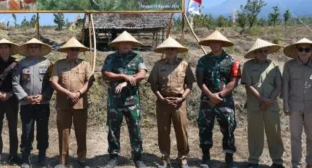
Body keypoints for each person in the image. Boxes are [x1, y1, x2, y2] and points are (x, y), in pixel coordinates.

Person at [195, 30, 241, 168]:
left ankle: (229, 158)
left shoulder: (233, 61)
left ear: (222, 44)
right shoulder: (203, 61)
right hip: (207, 100)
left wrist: (220, 95)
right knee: (205, 127)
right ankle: (205, 157)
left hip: (225, 100)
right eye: (212, 42)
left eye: (217, 42)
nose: (214, 44)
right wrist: (211, 96)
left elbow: (234, 82)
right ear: (208, 44)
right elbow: (200, 81)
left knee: (228, 127)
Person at [102, 31, 147, 168]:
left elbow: (142, 74)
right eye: (123, 43)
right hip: (115, 101)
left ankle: (138, 158)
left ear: (131, 44)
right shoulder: (111, 58)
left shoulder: (137, 57)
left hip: (132, 101)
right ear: (118, 44)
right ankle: (113, 157)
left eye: (128, 43)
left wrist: (129, 80)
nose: (126, 45)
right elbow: (105, 74)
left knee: (135, 129)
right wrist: (124, 76)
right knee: (113, 129)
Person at [148, 37, 195, 168]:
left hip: (179, 102)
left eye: (173, 48)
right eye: (168, 48)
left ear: (177, 50)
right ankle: (165, 157)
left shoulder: (184, 65)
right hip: (163, 102)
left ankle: (183, 157)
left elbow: (190, 84)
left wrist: (182, 98)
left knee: (181, 130)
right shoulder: (158, 65)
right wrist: (161, 98)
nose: (170, 50)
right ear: (164, 50)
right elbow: (153, 84)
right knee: (163, 130)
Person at [51, 37, 95, 168]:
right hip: (63, 103)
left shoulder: (85, 64)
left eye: (77, 49)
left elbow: (90, 81)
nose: (74, 51)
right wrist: (69, 93)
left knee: (81, 132)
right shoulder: (58, 64)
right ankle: (63, 161)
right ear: (67, 50)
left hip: (80, 104)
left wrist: (79, 93)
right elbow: (53, 82)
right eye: (72, 49)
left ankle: (82, 159)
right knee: (63, 132)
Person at [241, 38, 284, 168]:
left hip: (271, 105)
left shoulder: (274, 65)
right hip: (255, 106)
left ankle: (277, 161)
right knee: (255, 133)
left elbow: (279, 86)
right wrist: (262, 99)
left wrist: (268, 100)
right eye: (260, 51)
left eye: (266, 51)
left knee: (275, 133)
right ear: (255, 52)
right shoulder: (247, 65)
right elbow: (248, 85)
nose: (263, 53)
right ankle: (253, 160)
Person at [12, 38, 54, 168]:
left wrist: (44, 96)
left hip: (42, 104)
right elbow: (15, 82)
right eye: (31, 47)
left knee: (42, 131)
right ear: (27, 49)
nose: (33, 49)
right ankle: (26, 158)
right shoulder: (21, 64)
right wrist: (25, 97)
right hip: (27, 104)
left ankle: (42, 156)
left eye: (36, 47)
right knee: (27, 130)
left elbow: (52, 82)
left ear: (40, 49)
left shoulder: (48, 64)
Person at [0, 39, 21, 168]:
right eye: (1, 48)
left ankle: (13, 155)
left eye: (6, 47)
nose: (3, 50)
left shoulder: (16, 63)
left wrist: (10, 94)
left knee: (13, 128)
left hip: (12, 99)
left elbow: (20, 83)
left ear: (10, 49)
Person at [282, 38, 312, 168]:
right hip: (294, 106)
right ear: (297, 50)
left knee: (311, 137)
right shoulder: (289, 65)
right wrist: (285, 104)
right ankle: (296, 164)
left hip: (311, 107)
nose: (304, 52)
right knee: (295, 137)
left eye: (307, 49)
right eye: (301, 49)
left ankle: (310, 163)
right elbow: (285, 86)